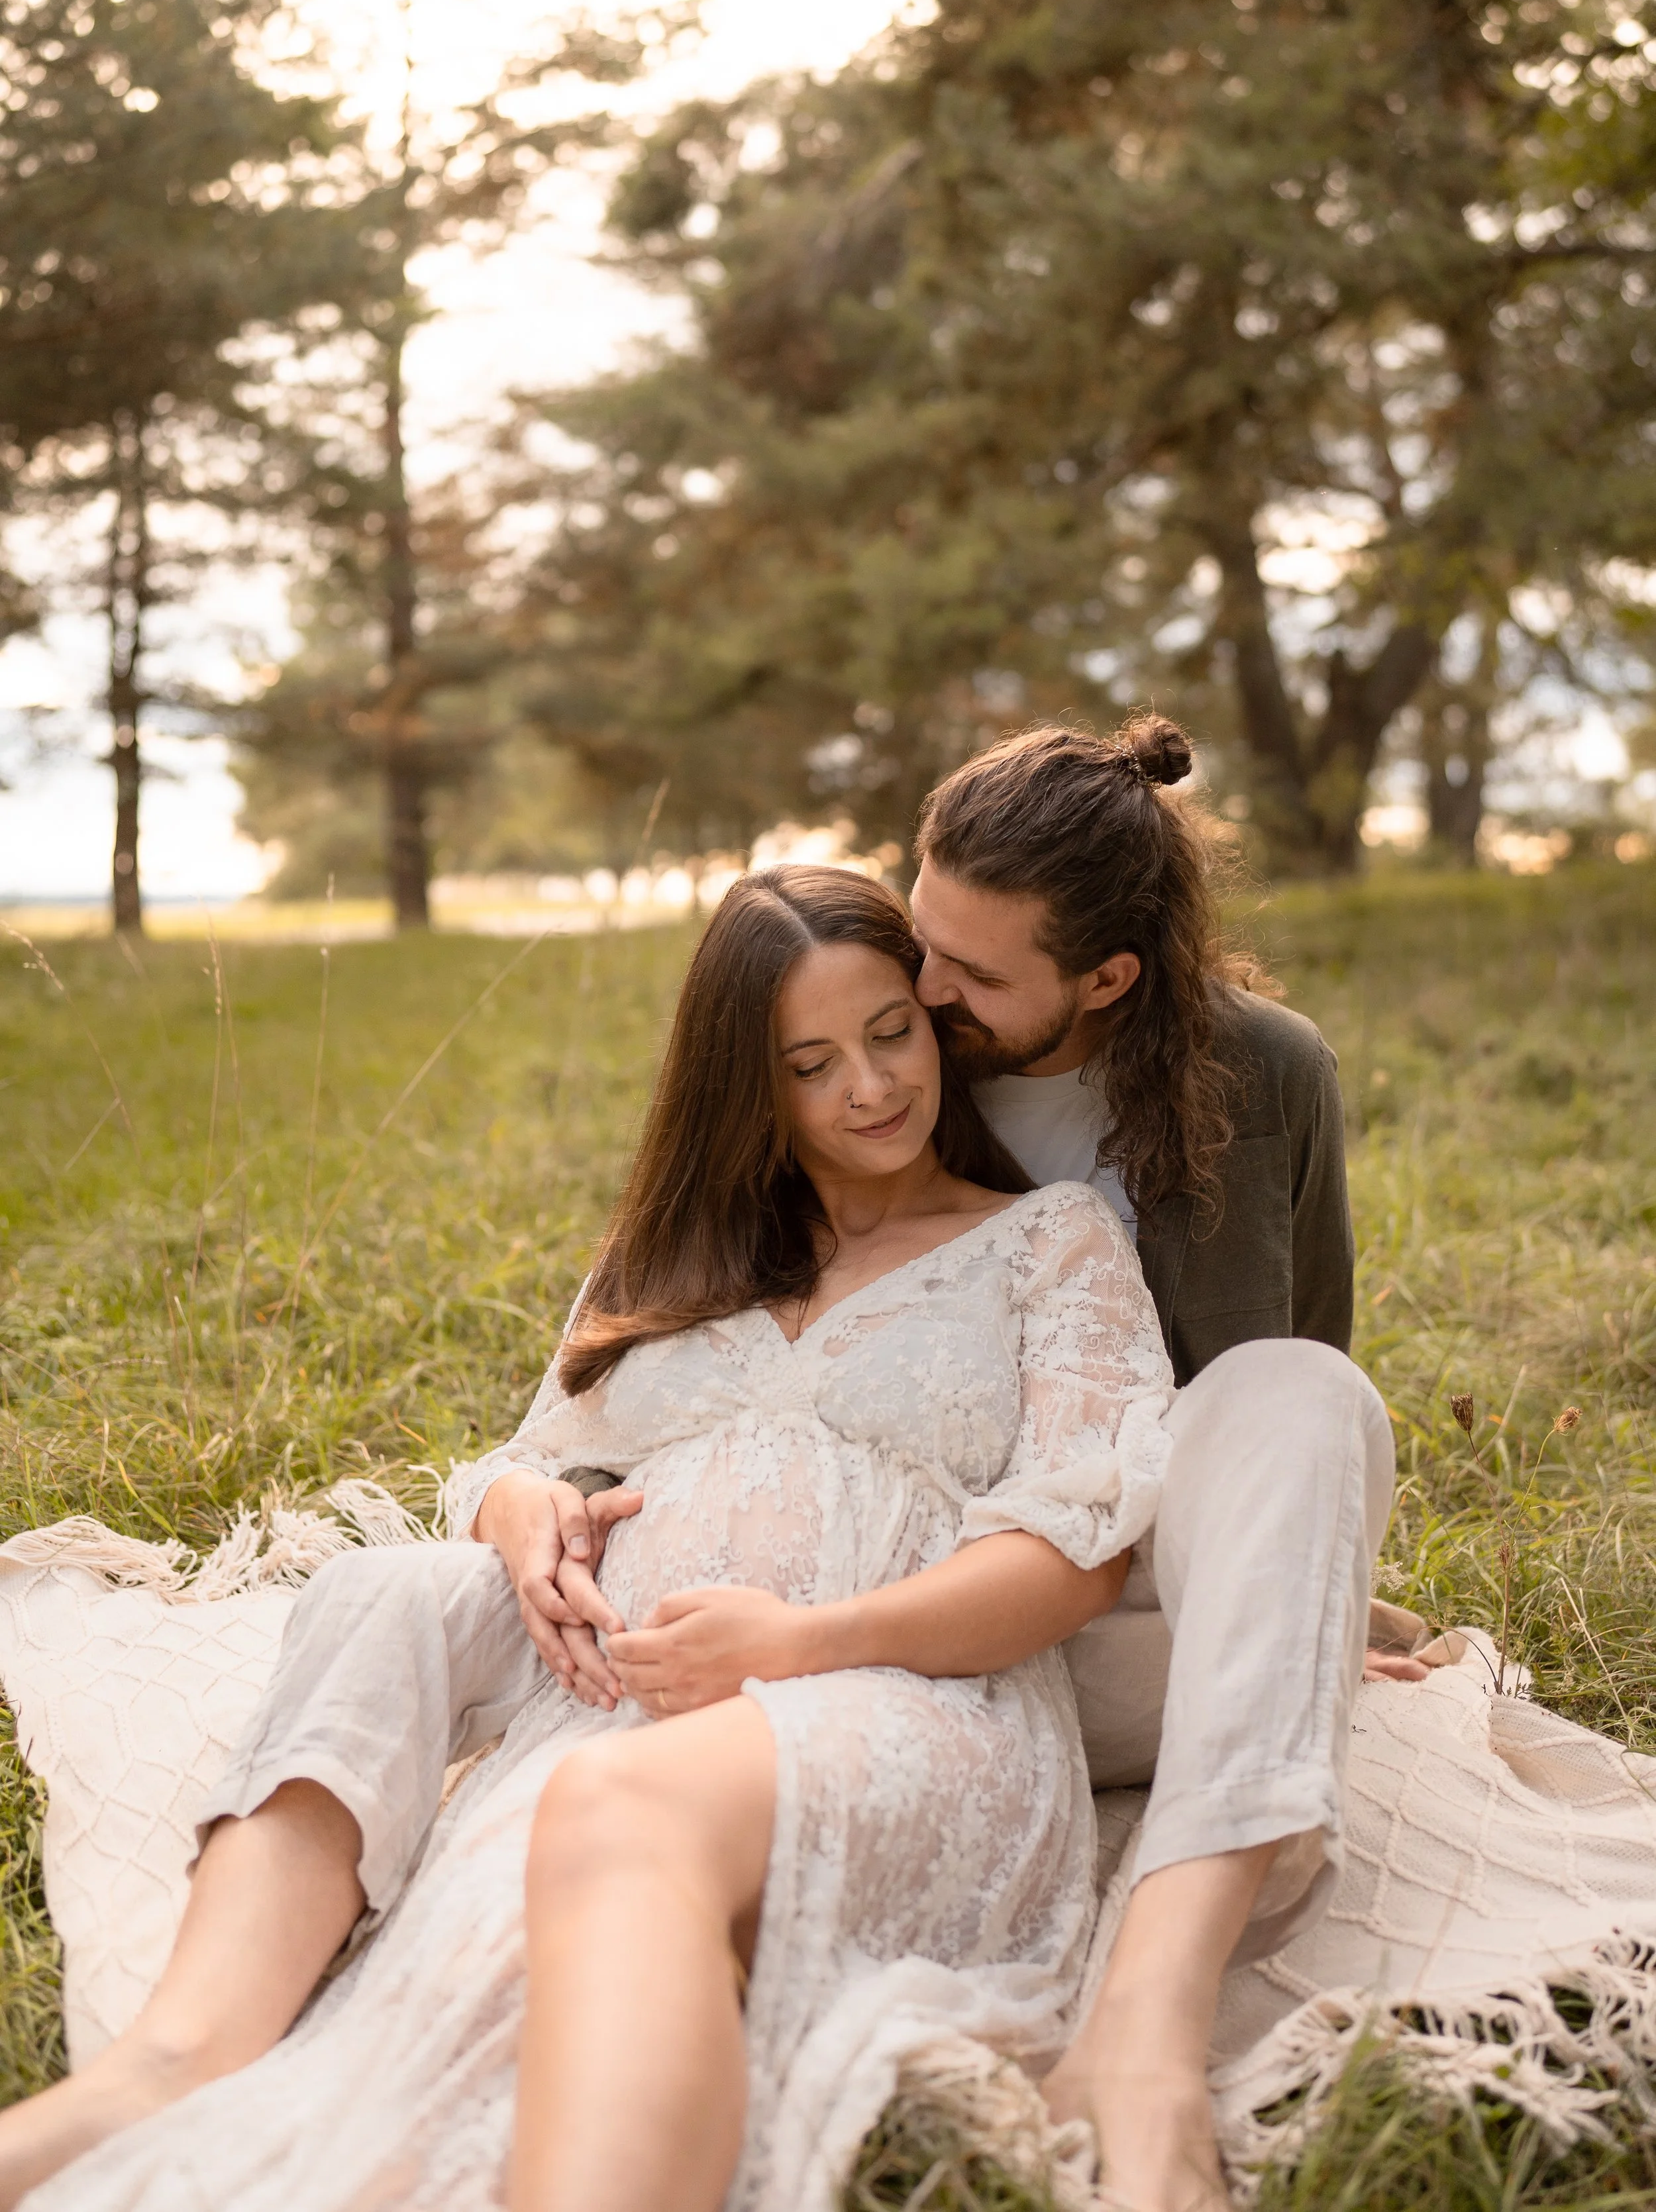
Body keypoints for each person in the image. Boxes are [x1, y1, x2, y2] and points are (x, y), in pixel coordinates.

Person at [0, 865, 1175, 2212]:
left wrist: (800, 1645)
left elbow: (1076, 1552)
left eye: (890, 1033)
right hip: (623, 1673)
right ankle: (177, 2053)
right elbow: (522, 1460)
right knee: (383, 1593)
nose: (869, 1087)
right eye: (810, 1063)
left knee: (612, 1809)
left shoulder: (1045, 1242)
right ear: (746, 1085)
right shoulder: (667, 1250)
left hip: (901, 1691)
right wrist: (522, 1513)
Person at [906, 713, 1412, 2212]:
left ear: (1107, 977)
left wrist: (1295, 1567)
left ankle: (1143, 2020)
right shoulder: (863, 1050)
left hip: (1135, 1611)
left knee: (1304, 1390)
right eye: (921, 933)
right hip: (929, 1619)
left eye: (974, 974)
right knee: (1268, 1673)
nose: (922, 991)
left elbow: (1279, 1369)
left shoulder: (1265, 1077)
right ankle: (1274, 1687)